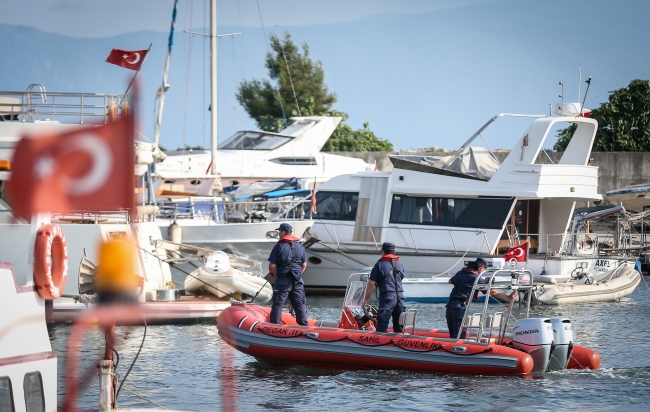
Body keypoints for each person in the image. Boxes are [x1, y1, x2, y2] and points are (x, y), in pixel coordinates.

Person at [445, 257, 517, 339]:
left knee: (453, 333)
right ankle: (458, 349)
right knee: (460, 334)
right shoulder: (476, 278)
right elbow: (492, 291)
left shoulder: (460, 272)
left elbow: (450, 281)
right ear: (480, 268)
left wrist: (467, 287)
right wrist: (508, 297)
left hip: (450, 305)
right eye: (483, 270)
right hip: (460, 307)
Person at [268, 223, 308, 326]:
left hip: (283, 280)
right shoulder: (300, 246)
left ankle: (274, 327)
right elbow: (304, 265)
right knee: (299, 304)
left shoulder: (278, 246)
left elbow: (272, 265)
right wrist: (298, 274)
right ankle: (304, 327)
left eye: (279, 232)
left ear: (283, 232)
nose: (278, 234)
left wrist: (272, 274)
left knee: (278, 304)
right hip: (297, 280)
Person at [362, 242, 405, 333]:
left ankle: (379, 343)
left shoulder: (379, 265)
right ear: (393, 252)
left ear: (383, 252)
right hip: (400, 297)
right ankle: (399, 342)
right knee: (399, 325)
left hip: (388, 297)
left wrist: (365, 299)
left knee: (382, 323)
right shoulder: (400, 265)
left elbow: (371, 284)